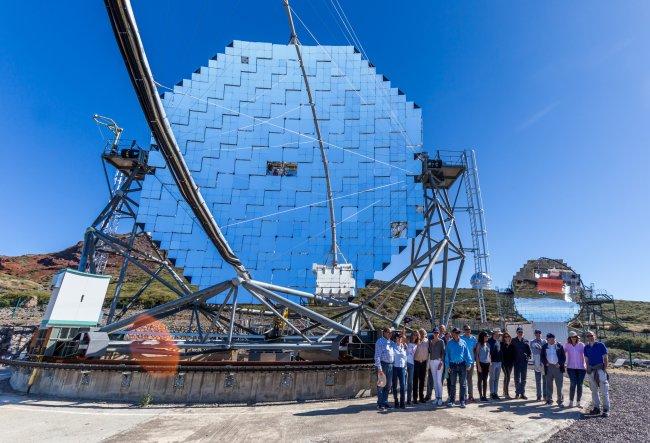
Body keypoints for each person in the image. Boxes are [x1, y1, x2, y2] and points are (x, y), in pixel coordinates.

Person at [584, 330, 610, 417]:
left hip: (600, 369)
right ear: (586, 337)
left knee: (604, 390)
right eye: (588, 336)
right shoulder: (586, 347)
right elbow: (586, 359)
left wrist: (604, 369)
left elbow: (605, 357)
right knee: (593, 390)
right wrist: (587, 368)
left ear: (594, 336)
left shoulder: (600, 345)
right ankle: (596, 408)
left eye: (591, 335)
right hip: (591, 370)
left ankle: (606, 409)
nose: (590, 337)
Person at [445, 327, 472, 408]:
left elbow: (467, 354)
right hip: (452, 365)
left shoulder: (463, 342)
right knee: (452, 384)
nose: (457, 334)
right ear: (452, 333)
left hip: (462, 365)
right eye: (455, 333)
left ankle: (462, 401)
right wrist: (447, 365)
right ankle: (452, 401)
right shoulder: (449, 343)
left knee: (463, 384)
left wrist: (469, 363)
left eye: (458, 333)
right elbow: (447, 355)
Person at [541, 332, 566, 407]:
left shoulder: (559, 346)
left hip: (557, 367)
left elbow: (563, 357)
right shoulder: (544, 346)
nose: (552, 341)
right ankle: (549, 400)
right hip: (548, 367)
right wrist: (545, 362)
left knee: (559, 385)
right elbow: (542, 356)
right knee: (548, 385)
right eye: (550, 339)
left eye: (553, 339)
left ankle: (560, 401)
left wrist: (560, 363)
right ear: (547, 340)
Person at [374, 326, 395, 410]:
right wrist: (379, 368)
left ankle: (385, 402)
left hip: (390, 365)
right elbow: (377, 356)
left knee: (388, 385)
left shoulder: (391, 342)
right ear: (385, 333)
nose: (390, 334)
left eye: (391, 333)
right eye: (389, 332)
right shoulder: (380, 342)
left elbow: (400, 341)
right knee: (381, 384)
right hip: (383, 365)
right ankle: (380, 403)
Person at [564, 331, 586, 408]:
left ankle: (578, 402)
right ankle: (571, 402)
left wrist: (588, 365)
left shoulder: (581, 345)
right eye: (572, 337)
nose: (573, 338)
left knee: (579, 385)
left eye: (575, 337)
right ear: (569, 338)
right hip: (571, 368)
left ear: (577, 337)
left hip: (581, 368)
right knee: (573, 384)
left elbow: (586, 355)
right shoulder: (567, 345)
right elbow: (562, 353)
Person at [427, 327, 445, 406]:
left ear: (438, 333)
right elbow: (429, 352)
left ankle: (440, 397)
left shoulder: (441, 341)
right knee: (434, 380)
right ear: (433, 333)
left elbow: (443, 353)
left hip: (439, 362)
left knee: (438, 380)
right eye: (435, 333)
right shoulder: (430, 342)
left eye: (437, 333)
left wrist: (441, 362)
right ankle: (437, 397)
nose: (436, 334)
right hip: (432, 361)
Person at [512, 327, 532, 399]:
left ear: (523, 333)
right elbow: (511, 351)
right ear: (516, 333)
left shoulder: (526, 341)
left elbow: (529, 351)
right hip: (516, 362)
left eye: (521, 332)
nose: (520, 333)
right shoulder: (513, 341)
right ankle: (517, 393)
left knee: (523, 378)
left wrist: (528, 356)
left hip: (524, 362)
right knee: (517, 378)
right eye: (519, 332)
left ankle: (522, 393)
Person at [461, 324, 478, 402]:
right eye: (466, 329)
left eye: (469, 329)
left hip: (470, 362)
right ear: (464, 330)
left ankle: (471, 396)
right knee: (463, 379)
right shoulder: (461, 338)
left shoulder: (474, 339)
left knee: (470, 379)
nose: (468, 331)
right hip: (463, 362)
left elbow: (475, 350)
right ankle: (464, 396)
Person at [530, 329, 548, 402]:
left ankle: (545, 396)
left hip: (543, 363)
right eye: (536, 333)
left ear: (541, 334)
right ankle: (538, 396)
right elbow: (535, 350)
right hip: (537, 363)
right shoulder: (532, 342)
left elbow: (545, 350)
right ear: (535, 334)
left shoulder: (544, 341)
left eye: (539, 333)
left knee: (545, 381)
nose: (538, 334)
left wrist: (541, 349)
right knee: (538, 381)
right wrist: (541, 349)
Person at [413, 328, 429, 403]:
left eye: (424, 334)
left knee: (422, 380)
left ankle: (421, 397)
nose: (422, 335)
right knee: (415, 381)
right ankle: (415, 398)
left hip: (424, 362)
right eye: (421, 333)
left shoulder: (427, 341)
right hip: (416, 362)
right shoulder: (416, 341)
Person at [392, 332, 407, 409]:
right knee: (394, 385)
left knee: (403, 386)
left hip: (402, 368)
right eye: (398, 338)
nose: (399, 339)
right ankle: (396, 401)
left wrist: (406, 367)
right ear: (395, 338)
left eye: (400, 338)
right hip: (395, 367)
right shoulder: (393, 346)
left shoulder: (404, 346)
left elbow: (405, 358)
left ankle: (402, 402)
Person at [475, 330, 491, 401]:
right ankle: (481, 395)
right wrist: (478, 365)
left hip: (487, 364)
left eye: (487, 336)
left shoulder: (488, 344)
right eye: (486, 336)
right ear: (482, 337)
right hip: (481, 363)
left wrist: (490, 363)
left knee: (485, 380)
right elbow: (477, 356)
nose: (487, 337)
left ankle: (484, 395)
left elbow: (489, 355)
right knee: (480, 380)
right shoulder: (479, 344)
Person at [488, 328, 503, 400]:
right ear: (494, 334)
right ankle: (492, 393)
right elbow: (487, 352)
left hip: (499, 362)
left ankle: (495, 393)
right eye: (498, 334)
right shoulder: (489, 341)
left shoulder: (498, 341)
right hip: (492, 362)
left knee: (496, 378)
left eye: (499, 334)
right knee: (492, 378)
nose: (499, 335)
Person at [501, 331, 516, 399]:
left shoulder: (512, 345)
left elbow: (513, 354)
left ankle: (504, 391)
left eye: (508, 336)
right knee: (508, 377)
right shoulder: (502, 344)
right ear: (503, 338)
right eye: (505, 337)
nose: (506, 338)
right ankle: (506, 394)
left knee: (506, 377)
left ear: (510, 337)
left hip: (510, 363)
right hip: (504, 363)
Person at [406, 332, 419, 405]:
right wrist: (405, 324)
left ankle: (408, 399)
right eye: (414, 334)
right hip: (405, 363)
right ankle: (403, 398)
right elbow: (403, 335)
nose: (415, 336)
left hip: (412, 364)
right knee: (404, 382)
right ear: (411, 335)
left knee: (410, 382)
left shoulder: (417, 345)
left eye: (416, 335)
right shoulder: (407, 342)